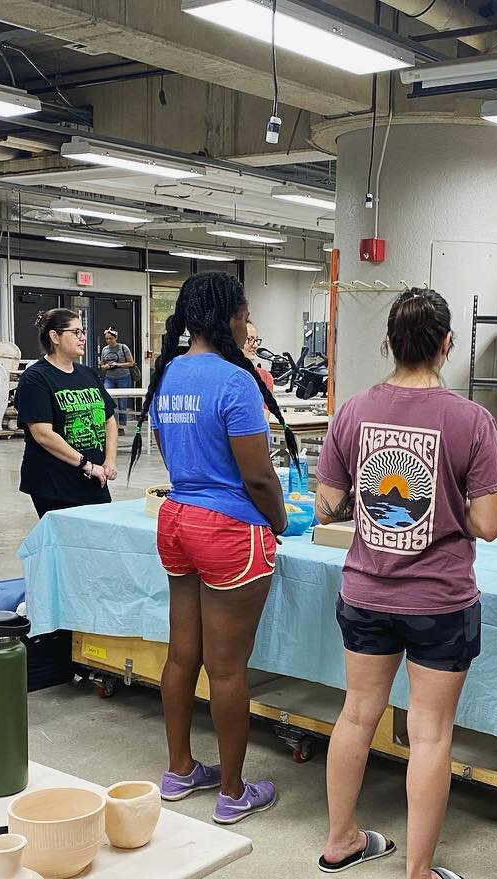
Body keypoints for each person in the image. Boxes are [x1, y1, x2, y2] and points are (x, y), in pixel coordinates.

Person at [314, 288, 497, 879]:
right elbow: (488, 524)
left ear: (389, 344)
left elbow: (325, 505)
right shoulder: (470, 420)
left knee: (355, 716)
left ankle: (340, 839)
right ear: (448, 343)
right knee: (429, 737)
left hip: (366, 589)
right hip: (438, 600)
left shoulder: (353, 412)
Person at [130, 272, 298, 826]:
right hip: (228, 528)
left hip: (176, 519)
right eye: (246, 316)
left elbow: (168, 448)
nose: (248, 326)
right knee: (227, 671)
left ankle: (179, 770)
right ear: (228, 317)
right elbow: (258, 476)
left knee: (183, 656)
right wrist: (277, 521)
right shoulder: (235, 381)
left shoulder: (169, 373)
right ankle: (232, 791)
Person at [16, 310, 117, 518]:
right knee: (69, 544)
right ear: (54, 337)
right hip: (55, 482)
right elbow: (43, 434)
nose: (82, 337)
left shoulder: (88, 374)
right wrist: (86, 465)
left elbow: (109, 419)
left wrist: (110, 460)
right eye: (76, 332)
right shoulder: (35, 378)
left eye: (83, 331)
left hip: (94, 477)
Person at [98, 328, 137, 435]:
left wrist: (117, 365)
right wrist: (105, 366)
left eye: (111, 338)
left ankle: (121, 427)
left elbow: (131, 363)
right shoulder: (105, 350)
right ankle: (111, 424)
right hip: (110, 378)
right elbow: (101, 365)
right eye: (106, 339)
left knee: (122, 402)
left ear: (115, 338)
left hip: (123, 377)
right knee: (109, 400)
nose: (108, 341)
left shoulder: (123, 348)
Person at [244, 320, 276, 396]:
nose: (255, 345)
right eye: (250, 339)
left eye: (256, 340)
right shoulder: (225, 375)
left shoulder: (265, 377)